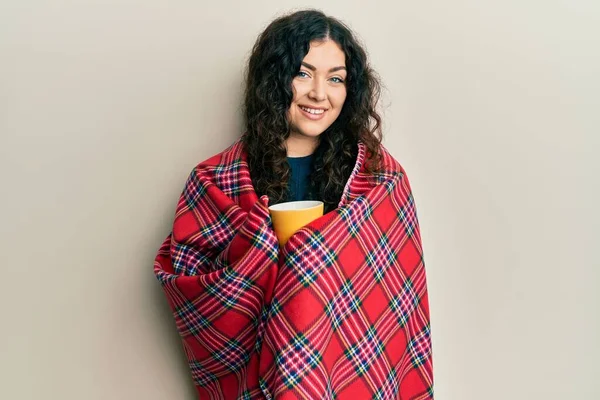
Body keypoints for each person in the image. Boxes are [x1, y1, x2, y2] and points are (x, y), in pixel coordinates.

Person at [154, 9, 433, 399]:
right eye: (303, 73)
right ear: (274, 79)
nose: (319, 93)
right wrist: (253, 254)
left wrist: (306, 261)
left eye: (335, 78)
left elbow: (395, 308)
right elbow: (191, 288)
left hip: (346, 380)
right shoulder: (215, 181)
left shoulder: (380, 181)